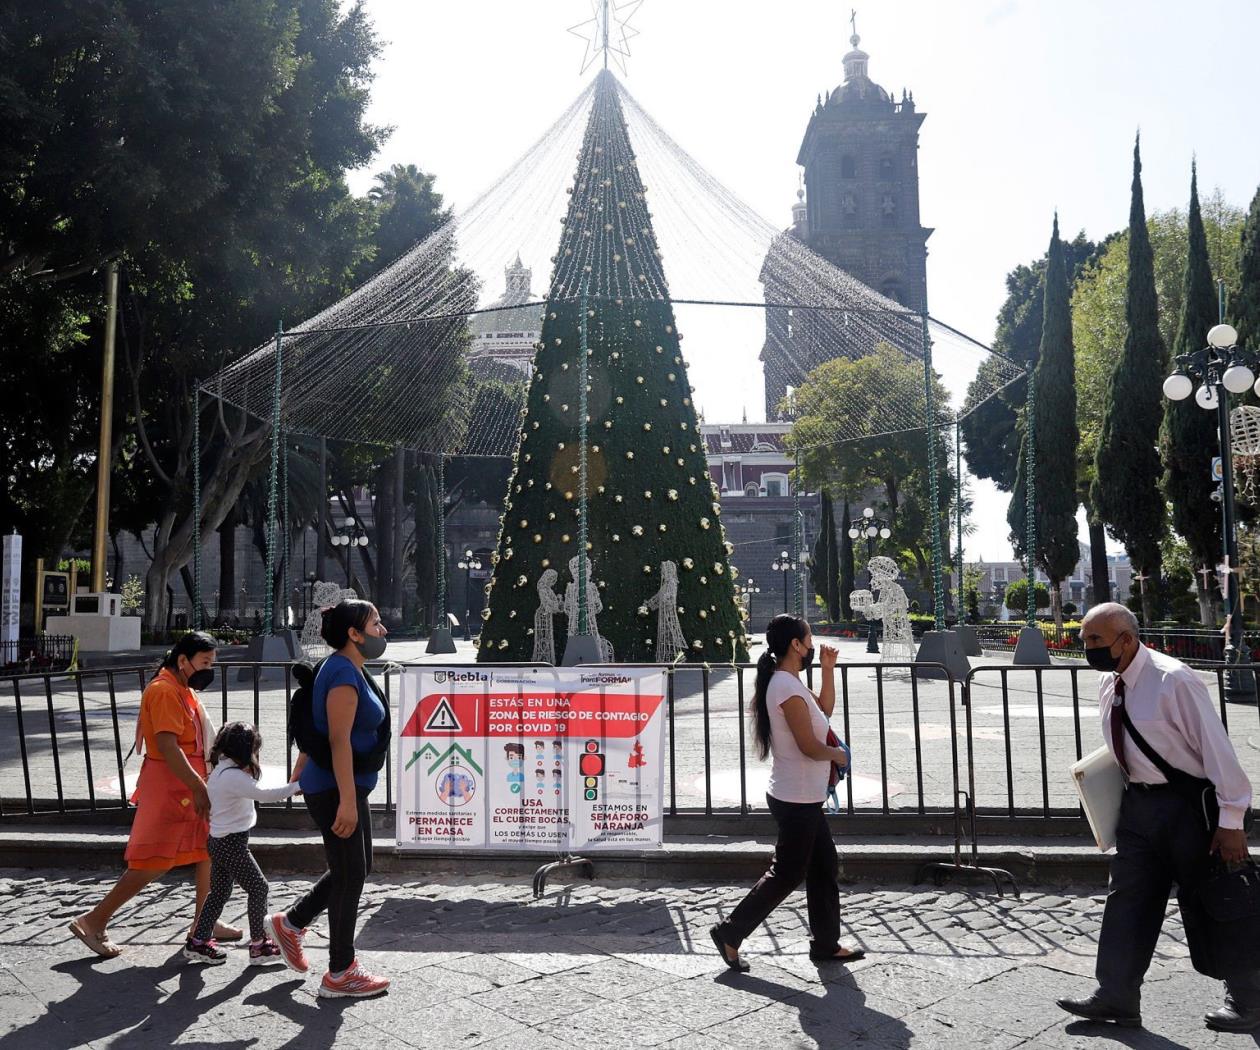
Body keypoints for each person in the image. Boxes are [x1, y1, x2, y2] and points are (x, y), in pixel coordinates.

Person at [1057, 602, 1258, 1033]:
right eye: (1085, 640)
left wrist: (1232, 820)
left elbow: (1218, 752)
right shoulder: (1109, 684)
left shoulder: (1174, 680)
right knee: (1127, 898)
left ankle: (1250, 999)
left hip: (1188, 809)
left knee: (1218, 900)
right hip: (1139, 808)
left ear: (1126, 639)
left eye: (1096, 640)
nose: (1088, 648)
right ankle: (1117, 994)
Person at [69, 632, 241, 957]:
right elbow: (167, 746)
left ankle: (205, 921)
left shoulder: (180, 689)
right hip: (173, 788)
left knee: (208, 851)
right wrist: (198, 786)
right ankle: (94, 920)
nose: (209, 670)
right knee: (153, 862)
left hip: (185, 785)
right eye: (205, 663)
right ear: (182, 661)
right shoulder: (164, 691)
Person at [710, 614, 862, 972]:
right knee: (787, 874)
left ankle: (826, 943)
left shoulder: (789, 681)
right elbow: (810, 746)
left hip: (803, 796)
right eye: (809, 640)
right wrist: (839, 755)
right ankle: (730, 933)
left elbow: (823, 709)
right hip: (796, 798)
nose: (812, 645)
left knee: (823, 867)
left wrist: (827, 668)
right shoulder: (785, 687)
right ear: (796, 645)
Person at [270, 600, 390, 998]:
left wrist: (305, 762)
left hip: (344, 784)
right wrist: (347, 802)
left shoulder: (347, 667)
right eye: (375, 624)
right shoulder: (341, 671)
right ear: (354, 634)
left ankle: (292, 923)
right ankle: (340, 971)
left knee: (355, 868)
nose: (382, 630)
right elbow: (337, 738)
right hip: (338, 788)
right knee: (350, 874)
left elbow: (323, 728)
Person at [184, 722, 301, 965]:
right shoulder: (234, 777)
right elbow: (266, 794)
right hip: (231, 843)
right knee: (259, 888)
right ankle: (259, 945)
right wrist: (298, 786)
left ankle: (198, 941)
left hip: (220, 841)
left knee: (219, 893)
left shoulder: (221, 771)